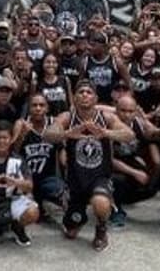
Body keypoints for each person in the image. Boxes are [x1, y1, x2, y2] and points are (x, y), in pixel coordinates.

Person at [46, 80, 135, 251]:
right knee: (70, 233)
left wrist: (106, 133)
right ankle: (76, 214)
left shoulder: (106, 117)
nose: (85, 95)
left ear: (96, 98)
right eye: (81, 92)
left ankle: (101, 228)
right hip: (76, 180)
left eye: (89, 92)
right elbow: (48, 135)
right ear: (74, 97)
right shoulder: (67, 117)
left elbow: (129, 134)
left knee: (100, 203)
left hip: (99, 177)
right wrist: (66, 134)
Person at [109, 95, 160, 227]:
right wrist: (134, 172)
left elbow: (154, 134)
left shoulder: (138, 123)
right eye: (123, 110)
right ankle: (115, 210)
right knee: (118, 180)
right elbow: (108, 159)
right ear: (116, 110)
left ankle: (123, 199)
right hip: (110, 165)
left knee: (152, 187)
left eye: (130, 111)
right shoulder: (109, 125)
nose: (127, 115)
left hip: (130, 160)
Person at [16, 94, 65, 222]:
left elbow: (61, 149)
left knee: (65, 196)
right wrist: (22, 135)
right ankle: (37, 205)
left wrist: (66, 166)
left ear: (47, 108)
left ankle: (69, 223)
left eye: (41, 105)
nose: (38, 108)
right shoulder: (21, 124)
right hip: (25, 179)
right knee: (30, 213)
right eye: (34, 105)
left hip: (47, 178)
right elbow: (12, 153)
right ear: (29, 108)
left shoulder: (53, 124)